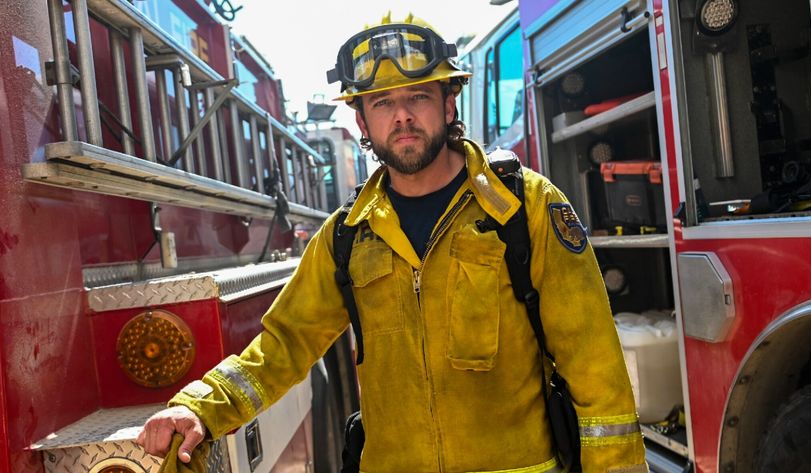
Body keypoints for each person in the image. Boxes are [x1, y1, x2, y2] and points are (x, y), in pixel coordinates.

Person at [137, 13, 647, 473]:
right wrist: (202, 405)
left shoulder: (523, 207)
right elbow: (283, 346)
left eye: (418, 97)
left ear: (449, 104)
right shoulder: (347, 235)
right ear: (362, 122)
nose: (401, 116)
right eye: (382, 104)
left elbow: (593, 361)